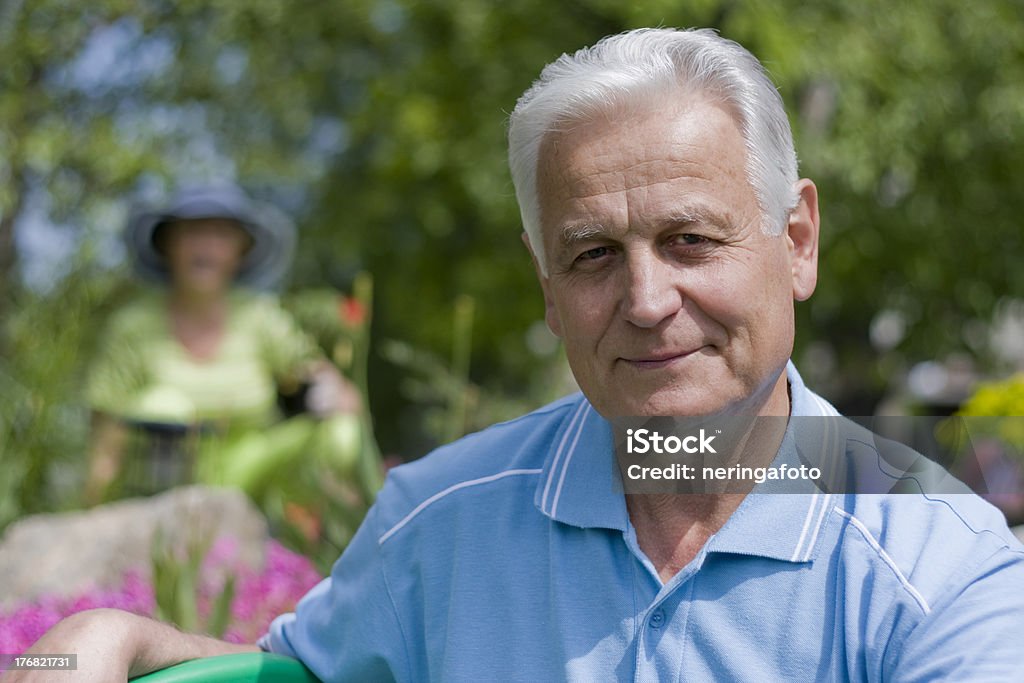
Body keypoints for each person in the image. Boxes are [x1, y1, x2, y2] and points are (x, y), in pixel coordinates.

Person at [15, 28, 1024, 682]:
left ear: (796, 240)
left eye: (691, 240)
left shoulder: (940, 567)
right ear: (546, 284)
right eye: (592, 254)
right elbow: (287, 675)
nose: (645, 300)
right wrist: (106, 637)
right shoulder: (443, 522)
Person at [84, 183, 362, 504]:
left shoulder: (260, 316)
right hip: (154, 493)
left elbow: (331, 387)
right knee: (162, 405)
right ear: (167, 245)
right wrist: (92, 514)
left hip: (248, 473)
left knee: (341, 434)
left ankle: (332, 542)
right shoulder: (132, 327)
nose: (206, 248)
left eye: (221, 235)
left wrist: (333, 391)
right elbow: (104, 440)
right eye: (192, 233)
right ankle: (161, 531)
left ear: (241, 251)